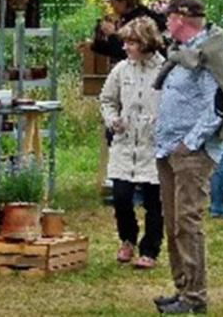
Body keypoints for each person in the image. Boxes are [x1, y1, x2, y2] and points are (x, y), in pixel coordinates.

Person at [151, 0, 223, 315]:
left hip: (191, 152)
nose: (166, 23)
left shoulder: (207, 54)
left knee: (187, 220)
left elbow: (217, 107)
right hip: (168, 147)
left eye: (168, 17)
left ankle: (195, 296)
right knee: (173, 222)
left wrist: (190, 142)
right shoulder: (181, 54)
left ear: (181, 19)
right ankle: (182, 287)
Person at [99, 17, 165, 269]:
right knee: (122, 197)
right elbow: (107, 100)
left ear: (146, 43)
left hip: (152, 145)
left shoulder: (164, 69)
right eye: (124, 42)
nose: (125, 47)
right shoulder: (121, 70)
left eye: (131, 42)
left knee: (153, 202)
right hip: (125, 144)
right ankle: (127, 239)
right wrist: (112, 119)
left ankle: (150, 249)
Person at [93, 0, 163, 61]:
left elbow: (126, 51)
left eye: (113, 3)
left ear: (123, 3)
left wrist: (112, 35)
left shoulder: (140, 20)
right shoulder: (125, 18)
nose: (112, 7)